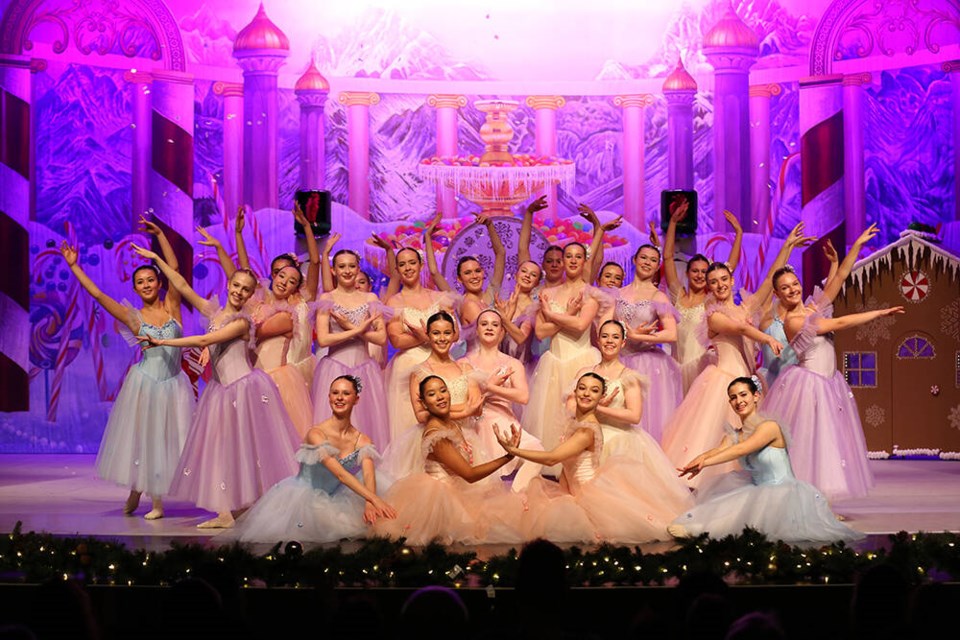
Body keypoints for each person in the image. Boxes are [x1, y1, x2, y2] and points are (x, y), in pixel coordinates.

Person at [131, 244, 300, 528]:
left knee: (243, 449)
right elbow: (183, 285)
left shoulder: (242, 322)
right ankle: (228, 510)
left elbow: (203, 341)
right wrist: (157, 258)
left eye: (246, 289)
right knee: (223, 449)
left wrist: (163, 342)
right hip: (220, 391)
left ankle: (241, 507)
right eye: (236, 285)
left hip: (242, 389)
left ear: (251, 293)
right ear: (229, 283)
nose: (239, 292)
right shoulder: (215, 311)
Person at [661, 223, 813, 488]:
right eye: (713, 282)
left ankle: (750, 486)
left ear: (732, 281)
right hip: (722, 382)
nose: (719, 285)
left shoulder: (746, 306)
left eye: (723, 280)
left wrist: (787, 245)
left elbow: (768, 281)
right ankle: (704, 486)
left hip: (747, 380)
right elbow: (741, 328)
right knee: (715, 435)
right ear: (708, 288)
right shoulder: (713, 316)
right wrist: (766, 337)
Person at [59, 218, 192, 520]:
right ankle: (152, 499)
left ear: (159, 283)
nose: (146, 285)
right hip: (147, 384)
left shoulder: (172, 306)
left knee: (174, 440)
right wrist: (74, 267)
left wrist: (160, 236)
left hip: (173, 383)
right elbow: (97, 295)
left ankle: (139, 488)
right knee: (150, 440)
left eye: (151, 280)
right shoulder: (134, 317)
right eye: (140, 282)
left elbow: (176, 271)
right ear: (135, 288)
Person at [762, 224, 901, 501]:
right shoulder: (794, 320)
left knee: (827, 444)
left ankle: (820, 498)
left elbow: (839, 280)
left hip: (829, 381)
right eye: (784, 288)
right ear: (777, 294)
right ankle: (803, 498)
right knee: (811, 442)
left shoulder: (812, 308)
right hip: (809, 385)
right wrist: (879, 312)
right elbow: (840, 322)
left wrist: (857, 246)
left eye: (794, 284)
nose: (792, 290)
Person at [496, 372, 692, 543]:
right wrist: (564, 494)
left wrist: (514, 450)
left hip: (590, 495)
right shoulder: (574, 422)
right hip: (574, 492)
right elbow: (566, 466)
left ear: (601, 397)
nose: (586, 393)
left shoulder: (586, 430)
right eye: (582, 388)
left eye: (594, 390)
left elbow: (551, 459)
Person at [668, 376, 864, 544]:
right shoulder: (734, 434)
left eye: (743, 395)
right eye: (733, 397)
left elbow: (742, 449)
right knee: (726, 511)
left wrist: (705, 462)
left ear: (755, 396)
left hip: (784, 492)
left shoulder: (769, 427)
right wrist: (701, 458)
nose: (739, 401)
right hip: (756, 490)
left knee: (746, 522)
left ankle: (703, 530)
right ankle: (701, 527)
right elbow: (721, 449)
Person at [222, 376, 396, 544]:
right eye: (335, 393)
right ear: (329, 397)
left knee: (381, 523)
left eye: (346, 393)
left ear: (356, 399)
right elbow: (341, 475)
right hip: (306, 499)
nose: (340, 398)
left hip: (338, 497)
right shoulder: (316, 434)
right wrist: (375, 499)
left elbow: (369, 475)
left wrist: (369, 502)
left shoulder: (362, 440)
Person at [372, 376, 524, 545]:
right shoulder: (437, 435)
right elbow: (469, 474)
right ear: (423, 403)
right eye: (432, 394)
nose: (440, 396)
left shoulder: (451, 424)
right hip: (442, 501)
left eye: (443, 390)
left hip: (458, 493)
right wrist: (508, 456)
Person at [381, 311, 483, 479]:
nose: (442, 338)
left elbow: (477, 408)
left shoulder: (466, 369)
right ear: (427, 335)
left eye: (447, 333)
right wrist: (464, 411)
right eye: (436, 333)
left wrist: (460, 411)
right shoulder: (419, 372)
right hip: (436, 440)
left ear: (453, 335)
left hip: (466, 438)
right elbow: (421, 415)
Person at [522, 242, 603, 452]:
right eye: (569, 256)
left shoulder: (591, 294)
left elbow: (580, 325)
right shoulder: (548, 293)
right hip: (554, 362)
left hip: (582, 360)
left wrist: (552, 316)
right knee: (551, 416)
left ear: (584, 261)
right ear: (562, 261)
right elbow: (540, 332)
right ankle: (553, 462)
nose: (573, 260)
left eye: (578, 256)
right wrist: (565, 314)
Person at [313, 248, 390, 449]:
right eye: (342, 266)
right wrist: (359, 330)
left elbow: (381, 338)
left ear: (358, 268)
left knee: (366, 427)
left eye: (352, 266)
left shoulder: (370, 299)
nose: (347, 270)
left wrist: (350, 326)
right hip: (335, 368)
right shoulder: (327, 299)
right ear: (334, 270)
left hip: (365, 368)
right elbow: (323, 339)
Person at [663, 202, 743, 392]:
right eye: (695, 271)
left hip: (704, 366)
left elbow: (729, 267)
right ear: (688, 273)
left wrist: (738, 233)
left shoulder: (711, 300)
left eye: (703, 272)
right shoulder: (678, 296)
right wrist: (673, 222)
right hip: (679, 366)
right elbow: (667, 258)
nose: (699, 275)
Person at [460, 308, 544, 489]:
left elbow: (523, 396)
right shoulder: (463, 363)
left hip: (504, 420)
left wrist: (490, 386)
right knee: (484, 481)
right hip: (475, 422)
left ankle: (516, 496)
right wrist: (488, 387)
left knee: (537, 452)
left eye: (495, 324)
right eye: (484, 324)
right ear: (477, 330)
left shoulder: (512, 363)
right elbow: (467, 401)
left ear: (502, 331)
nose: (489, 328)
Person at [606, 243, 683, 441]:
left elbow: (671, 334)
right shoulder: (617, 293)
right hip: (620, 359)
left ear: (658, 266)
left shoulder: (659, 297)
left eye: (653, 260)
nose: (647, 263)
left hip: (648, 364)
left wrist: (638, 336)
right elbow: (605, 325)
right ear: (634, 260)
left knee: (646, 418)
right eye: (644, 258)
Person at [384, 247, 458, 446]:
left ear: (420, 265)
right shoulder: (394, 302)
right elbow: (397, 340)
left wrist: (424, 336)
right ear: (397, 270)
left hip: (439, 363)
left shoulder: (439, 297)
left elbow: (455, 333)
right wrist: (429, 338)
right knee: (410, 422)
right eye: (402, 264)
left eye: (412, 262)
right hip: (408, 366)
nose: (408, 268)